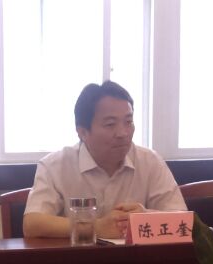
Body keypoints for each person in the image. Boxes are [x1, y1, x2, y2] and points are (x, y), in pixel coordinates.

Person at [23, 81, 186, 239]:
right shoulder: (55, 166)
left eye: (128, 122)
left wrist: (146, 217)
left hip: (136, 257)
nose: (123, 133)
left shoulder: (150, 162)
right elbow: (32, 224)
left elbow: (183, 221)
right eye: (110, 124)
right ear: (82, 132)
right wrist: (96, 226)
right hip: (78, 256)